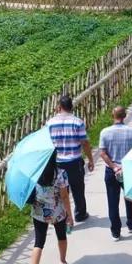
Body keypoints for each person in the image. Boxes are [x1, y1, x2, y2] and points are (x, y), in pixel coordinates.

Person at [28, 151, 72, 264]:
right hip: (57, 211)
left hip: (39, 212)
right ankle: (62, 261)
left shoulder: (35, 173)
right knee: (61, 236)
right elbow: (64, 196)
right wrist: (69, 215)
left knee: (38, 242)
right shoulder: (60, 173)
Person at [47, 94, 93, 222]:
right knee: (78, 189)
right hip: (74, 161)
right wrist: (90, 159)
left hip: (58, 163)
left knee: (61, 191)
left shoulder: (50, 124)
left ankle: (63, 215)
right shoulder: (77, 122)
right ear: (71, 107)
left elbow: (47, 144)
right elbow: (84, 142)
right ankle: (80, 213)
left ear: (59, 107)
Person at [98, 105, 132, 241]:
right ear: (125, 116)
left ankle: (115, 231)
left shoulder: (105, 132)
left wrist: (114, 166)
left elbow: (103, 153)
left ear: (112, 115)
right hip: (128, 169)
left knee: (112, 201)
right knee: (130, 198)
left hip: (111, 171)